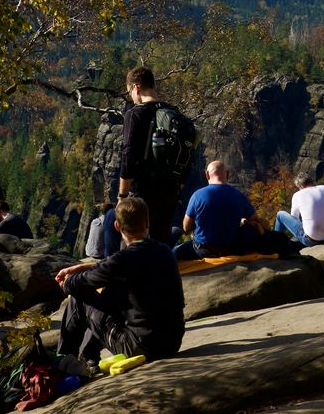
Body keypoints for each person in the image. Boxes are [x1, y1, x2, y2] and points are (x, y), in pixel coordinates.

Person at [55, 197, 185, 366]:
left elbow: (79, 283)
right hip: (171, 343)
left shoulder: (121, 261)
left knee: (79, 298)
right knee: (113, 291)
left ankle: (63, 364)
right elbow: (109, 267)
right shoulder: (165, 252)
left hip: (140, 347)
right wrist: (80, 268)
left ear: (117, 226)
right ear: (147, 221)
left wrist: (66, 282)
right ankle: (88, 357)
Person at [119, 66, 179, 247]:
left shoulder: (135, 114)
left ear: (136, 87)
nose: (131, 96)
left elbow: (128, 154)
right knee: (162, 245)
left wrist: (122, 195)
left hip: (143, 192)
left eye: (130, 91)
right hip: (169, 191)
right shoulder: (172, 112)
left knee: (135, 244)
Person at [173, 161, 271, 261]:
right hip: (230, 250)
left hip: (203, 251)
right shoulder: (239, 196)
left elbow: (186, 227)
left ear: (207, 175)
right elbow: (254, 219)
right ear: (227, 174)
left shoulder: (197, 196)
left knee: (175, 251)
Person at [274, 173, 324, 247]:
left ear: (301, 186)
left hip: (310, 240)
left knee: (280, 214)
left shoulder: (298, 195)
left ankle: (276, 244)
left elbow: (294, 218)